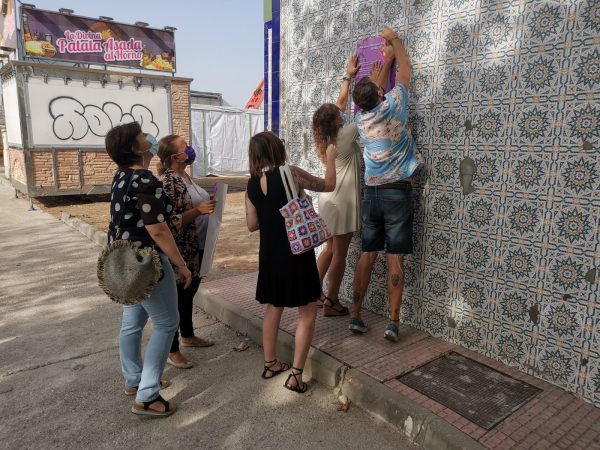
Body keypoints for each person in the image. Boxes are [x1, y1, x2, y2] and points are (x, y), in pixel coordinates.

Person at [105, 122, 192, 417]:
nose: (149, 139)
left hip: (125, 263)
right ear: (134, 147)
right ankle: (147, 396)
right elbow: (157, 230)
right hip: (147, 263)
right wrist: (180, 264)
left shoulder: (121, 177)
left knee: (132, 323)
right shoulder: (144, 179)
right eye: (143, 136)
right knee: (168, 323)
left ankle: (134, 380)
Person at [245, 132, 336, 393]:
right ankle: (296, 375)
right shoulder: (291, 174)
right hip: (296, 253)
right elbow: (328, 185)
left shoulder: (251, 184)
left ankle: (270, 364)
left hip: (269, 255)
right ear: (277, 150)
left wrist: (271, 213)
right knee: (307, 312)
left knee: (274, 307)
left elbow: (251, 225)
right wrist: (330, 158)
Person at [350, 26, 421, 342]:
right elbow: (406, 69)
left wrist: (377, 75)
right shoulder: (394, 107)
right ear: (380, 95)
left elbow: (370, 96)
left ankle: (355, 315)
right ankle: (393, 323)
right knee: (395, 258)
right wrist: (395, 41)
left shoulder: (361, 121)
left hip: (372, 195)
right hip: (397, 193)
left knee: (368, 254)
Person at [157, 135, 216, 370]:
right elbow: (171, 222)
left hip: (198, 244)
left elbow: (194, 205)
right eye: (184, 147)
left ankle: (188, 335)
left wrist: (208, 204)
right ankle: (172, 350)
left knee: (190, 293)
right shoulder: (169, 182)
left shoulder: (186, 177)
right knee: (178, 297)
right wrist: (199, 211)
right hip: (183, 249)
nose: (190, 149)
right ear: (174, 157)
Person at [312, 54, 362, 317]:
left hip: (328, 201)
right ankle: (331, 301)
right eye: (339, 114)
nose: (342, 110)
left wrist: (348, 75)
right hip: (342, 201)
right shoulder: (347, 134)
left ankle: (312, 292)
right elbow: (368, 105)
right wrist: (378, 72)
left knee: (330, 249)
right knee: (339, 253)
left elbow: (340, 104)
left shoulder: (327, 137)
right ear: (337, 121)